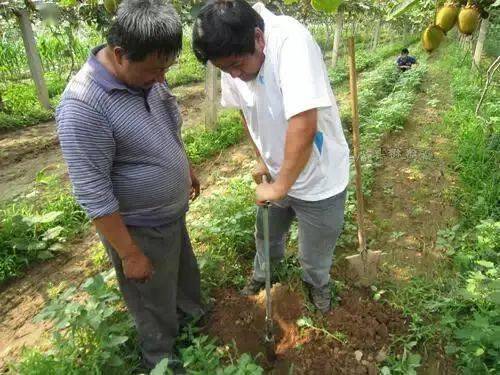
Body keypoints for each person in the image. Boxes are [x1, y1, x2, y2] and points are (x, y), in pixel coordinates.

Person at [56, 0, 203, 371]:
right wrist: (129, 253)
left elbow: (168, 125)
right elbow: (93, 191)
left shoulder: (147, 78)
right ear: (120, 54)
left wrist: (184, 165)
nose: (162, 78)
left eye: (167, 68)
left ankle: (195, 329)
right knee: (151, 299)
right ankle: (162, 360)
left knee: (183, 278)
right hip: (138, 227)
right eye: (155, 70)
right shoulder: (83, 106)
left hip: (170, 214)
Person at [192, 0, 349, 313]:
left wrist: (279, 187)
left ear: (259, 39)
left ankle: (317, 285)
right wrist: (263, 160)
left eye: (237, 65)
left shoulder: (292, 42)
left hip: (320, 177)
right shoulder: (232, 55)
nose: (234, 75)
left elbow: (304, 123)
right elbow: (246, 115)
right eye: (225, 69)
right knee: (267, 237)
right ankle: (262, 275)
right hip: (277, 173)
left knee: (314, 253)